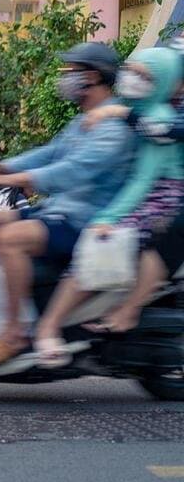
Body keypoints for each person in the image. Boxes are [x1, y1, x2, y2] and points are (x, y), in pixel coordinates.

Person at [0, 42, 136, 366]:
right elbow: (51, 152)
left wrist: (15, 180)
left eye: (72, 71)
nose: (66, 78)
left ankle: (14, 332)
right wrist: (1, 167)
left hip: (84, 221)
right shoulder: (84, 121)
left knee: (9, 239)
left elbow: (71, 171)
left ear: (91, 77)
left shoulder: (114, 130)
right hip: (58, 210)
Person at [34, 47, 184, 364]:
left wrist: (109, 217)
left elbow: (144, 179)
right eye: (132, 70)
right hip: (143, 192)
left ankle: (53, 326)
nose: (132, 78)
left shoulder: (157, 117)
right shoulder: (138, 107)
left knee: (100, 243)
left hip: (161, 195)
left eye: (145, 76)